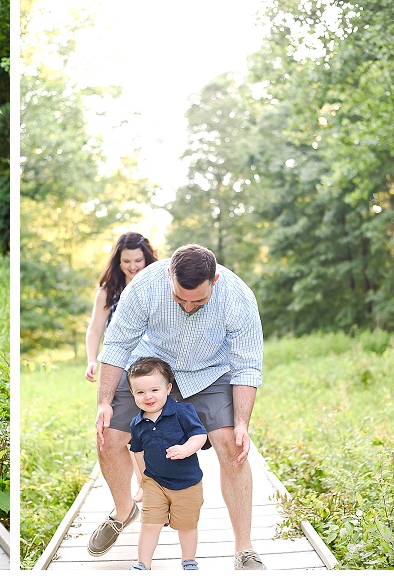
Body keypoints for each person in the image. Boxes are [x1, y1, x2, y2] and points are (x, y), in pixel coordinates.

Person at [89, 243, 267, 570]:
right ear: (169, 274)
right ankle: (124, 508)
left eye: (198, 300)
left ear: (214, 279)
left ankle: (245, 548)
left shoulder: (238, 298)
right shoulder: (144, 286)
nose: (187, 306)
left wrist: (242, 422)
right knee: (107, 436)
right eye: (179, 298)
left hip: (209, 372)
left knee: (233, 446)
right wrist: (104, 402)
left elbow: (247, 366)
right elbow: (115, 346)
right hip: (150, 365)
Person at [85, 231, 158, 502]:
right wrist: (92, 360)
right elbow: (94, 330)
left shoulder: (157, 286)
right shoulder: (108, 291)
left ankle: (148, 484)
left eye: (138, 260)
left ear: (147, 259)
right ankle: (140, 485)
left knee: (149, 427)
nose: (133, 266)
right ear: (118, 261)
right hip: (120, 367)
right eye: (126, 261)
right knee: (123, 429)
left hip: (153, 366)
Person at [125, 357, 206, 571]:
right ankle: (143, 564)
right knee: (150, 523)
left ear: (168, 388)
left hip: (187, 482)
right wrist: (143, 481)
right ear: (132, 393)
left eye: (154, 390)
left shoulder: (182, 411)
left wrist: (186, 449)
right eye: (140, 392)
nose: (148, 397)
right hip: (155, 482)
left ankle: (188, 560)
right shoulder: (137, 423)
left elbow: (200, 435)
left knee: (186, 525)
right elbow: (138, 451)